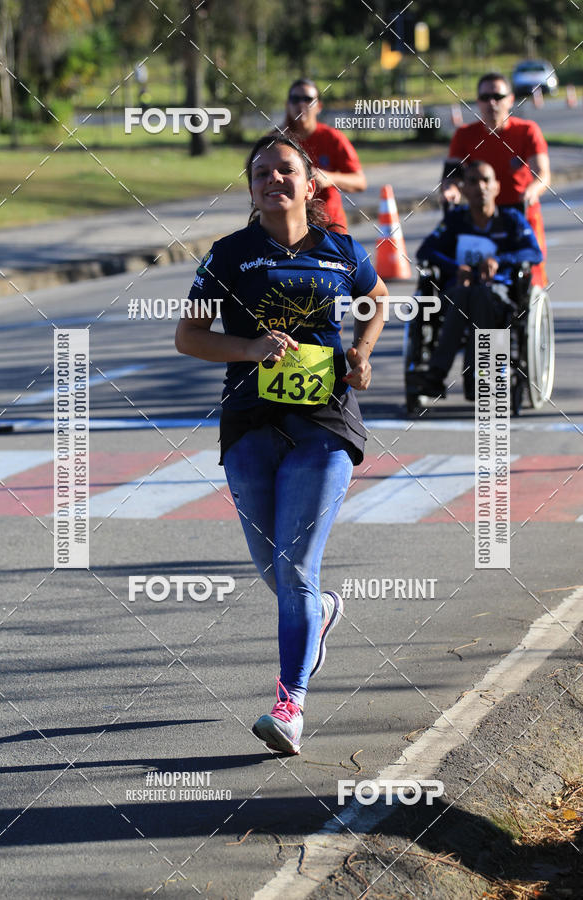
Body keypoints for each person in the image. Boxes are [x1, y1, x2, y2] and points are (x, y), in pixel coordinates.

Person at [175, 135, 386, 755]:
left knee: (294, 566)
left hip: (323, 422)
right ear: (251, 188)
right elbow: (189, 336)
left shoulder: (341, 249)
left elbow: (376, 304)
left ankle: (289, 704)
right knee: (276, 571)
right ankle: (319, 613)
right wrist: (249, 349)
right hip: (248, 422)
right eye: (262, 172)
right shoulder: (229, 254)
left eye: (286, 170)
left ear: (312, 181)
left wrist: (363, 353)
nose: (274, 180)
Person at [417, 160, 542, 401]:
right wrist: (456, 267)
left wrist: (499, 260)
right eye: (473, 181)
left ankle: (443, 373)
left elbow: (534, 253)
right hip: (458, 292)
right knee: (467, 293)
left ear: (496, 186)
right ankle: (470, 375)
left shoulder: (511, 219)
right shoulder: (456, 220)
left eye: (486, 180)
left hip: (500, 294)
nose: (480, 187)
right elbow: (426, 251)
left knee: (481, 293)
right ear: (464, 189)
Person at [440, 72, 550, 286]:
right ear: (478, 102)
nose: (492, 103)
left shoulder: (527, 131)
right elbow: (449, 177)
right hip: (480, 215)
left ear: (510, 99)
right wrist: (450, 189)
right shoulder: (464, 134)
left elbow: (543, 175)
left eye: (498, 97)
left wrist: (532, 190)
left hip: (519, 212)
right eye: (485, 97)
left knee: (528, 275)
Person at [281, 78, 366, 233]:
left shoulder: (333, 138)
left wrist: (329, 178)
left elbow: (360, 182)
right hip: (289, 228)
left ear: (319, 106)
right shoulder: (278, 141)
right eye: (295, 99)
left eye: (308, 99)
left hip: (330, 228)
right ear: (287, 105)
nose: (301, 104)